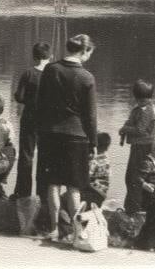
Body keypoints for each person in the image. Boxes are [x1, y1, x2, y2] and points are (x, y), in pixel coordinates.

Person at [35, 34, 98, 242]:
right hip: (76, 135)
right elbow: (90, 115)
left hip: (51, 133)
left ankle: (54, 228)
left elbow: (41, 103)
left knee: (53, 183)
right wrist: (94, 142)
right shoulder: (87, 77)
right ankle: (75, 231)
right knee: (74, 186)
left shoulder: (51, 69)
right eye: (89, 53)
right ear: (84, 52)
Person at [13, 42, 51, 199]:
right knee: (44, 156)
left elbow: (19, 97)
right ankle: (42, 194)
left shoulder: (28, 73)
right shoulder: (54, 74)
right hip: (48, 121)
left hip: (29, 118)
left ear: (34, 56)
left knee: (26, 155)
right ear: (49, 56)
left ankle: (23, 192)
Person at [119, 79, 155, 213]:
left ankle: (133, 208)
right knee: (137, 177)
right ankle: (139, 206)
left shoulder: (146, 110)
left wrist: (126, 129)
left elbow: (140, 130)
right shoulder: (143, 108)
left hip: (142, 147)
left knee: (133, 177)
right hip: (141, 146)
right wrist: (127, 126)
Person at [82, 132, 111, 208]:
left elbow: (85, 178)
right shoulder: (107, 159)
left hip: (93, 193)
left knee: (66, 197)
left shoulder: (94, 161)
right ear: (107, 147)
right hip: (102, 194)